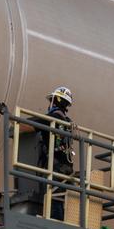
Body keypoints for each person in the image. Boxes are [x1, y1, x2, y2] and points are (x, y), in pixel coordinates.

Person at [36, 86, 75, 219]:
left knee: (53, 200)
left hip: (56, 167)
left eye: (51, 100)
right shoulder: (68, 122)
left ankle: (55, 222)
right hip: (67, 168)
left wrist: (8, 115)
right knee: (60, 199)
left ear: (56, 100)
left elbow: (31, 123)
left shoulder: (51, 118)